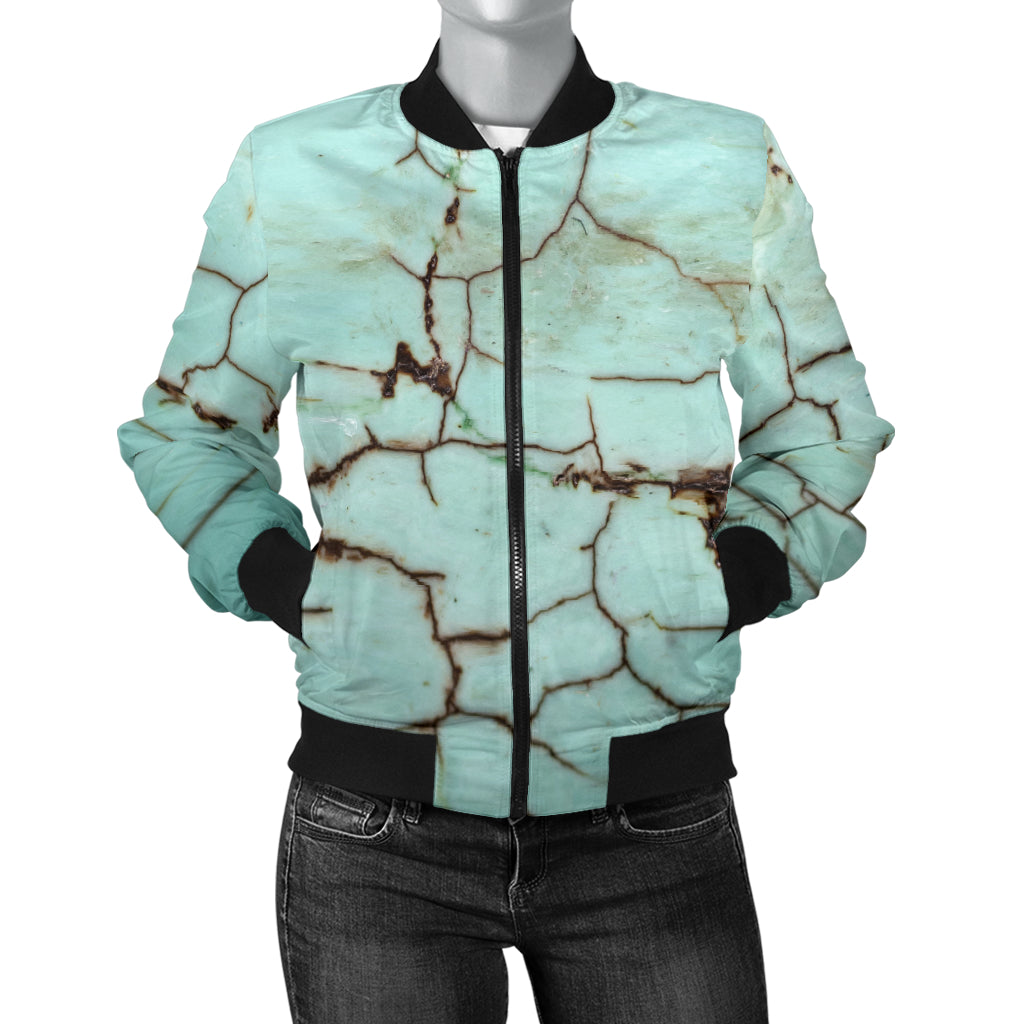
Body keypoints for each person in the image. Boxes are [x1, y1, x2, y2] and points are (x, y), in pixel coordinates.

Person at [116, 1, 895, 1020]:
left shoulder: (720, 161)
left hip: (651, 816)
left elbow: (823, 422)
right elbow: (192, 426)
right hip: (376, 830)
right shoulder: (297, 167)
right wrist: (296, 587)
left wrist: (732, 577)